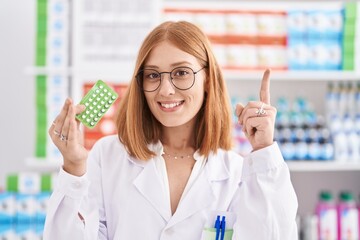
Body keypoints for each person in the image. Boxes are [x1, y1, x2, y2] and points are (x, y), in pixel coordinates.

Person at [43, 21, 298, 240]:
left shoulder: (234, 171)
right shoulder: (108, 156)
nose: (165, 90)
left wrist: (264, 151)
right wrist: (74, 167)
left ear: (208, 79)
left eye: (181, 73)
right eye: (153, 76)